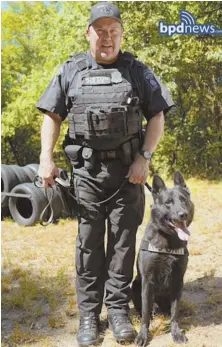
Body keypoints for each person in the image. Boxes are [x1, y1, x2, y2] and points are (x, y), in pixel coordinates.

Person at [36, 2, 174, 345]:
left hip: (130, 173)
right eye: (101, 30)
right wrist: (45, 158)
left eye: (114, 31)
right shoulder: (70, 70)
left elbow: (157, 115)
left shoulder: (137, 71)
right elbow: (51, 115)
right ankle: (88, 315)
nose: (107, 37)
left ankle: (117, 311)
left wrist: (144, 157)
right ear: (89, 33)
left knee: (123, 245)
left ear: (121, 34)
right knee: (88, 246)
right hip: (86, 175)